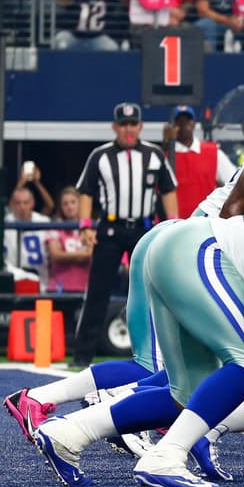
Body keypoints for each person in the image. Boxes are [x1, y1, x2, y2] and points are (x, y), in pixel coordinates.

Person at [71, 103, 178, 369]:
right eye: (123, 125)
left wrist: (174, 225)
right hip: (110, 229)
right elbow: (85, 191)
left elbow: (168, 191)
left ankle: (157, 353)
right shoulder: (100, 155)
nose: (128, 130)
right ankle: (82, 355)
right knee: (98, 291)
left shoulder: (154, 155)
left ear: (140, 126)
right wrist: (85, 225)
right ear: (115, 127)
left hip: (143, 229)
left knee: (151, 291)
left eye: (133, 124)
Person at [161, 105, 238, 216]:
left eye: (188, 121)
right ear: (172, 126)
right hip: (173, 224)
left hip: (205, 222)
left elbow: (234, 184)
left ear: (193, 124)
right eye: (179, 122)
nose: (184, 125)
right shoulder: (164, 156)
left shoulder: (213, 152)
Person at [45, 186, 92, 294]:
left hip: (84, 288)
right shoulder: (55, 226)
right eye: (65, 204)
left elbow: (92, 253)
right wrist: (82, 255)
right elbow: (56, 255)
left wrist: (67, 256)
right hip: (58, 288)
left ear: (80, 204)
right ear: (60, 207)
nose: (69, 207)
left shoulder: (90, 228)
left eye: (73, 202)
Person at [3, 185, 53, 277]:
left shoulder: (44, 222)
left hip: (41, 280)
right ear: (12, 204)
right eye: (18, 203)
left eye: (25, 203)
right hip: (14, 278)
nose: (22, 207)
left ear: (32, 203)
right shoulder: (4, 224)